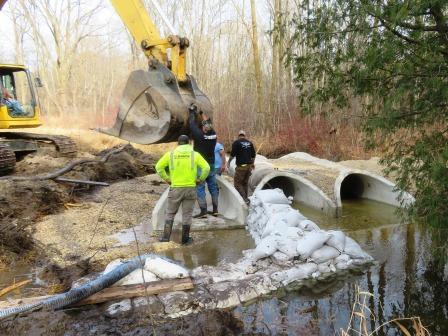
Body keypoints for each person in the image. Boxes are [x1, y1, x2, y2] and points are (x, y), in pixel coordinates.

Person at [155, 134, 210, 244]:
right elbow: (206, 168)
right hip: (190, 188)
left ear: (178, 144)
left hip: (175, 188)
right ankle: (185, 240)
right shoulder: (195, 155)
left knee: (170, 213)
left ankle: (166, 238)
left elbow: (158, 167)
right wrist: (200, 179)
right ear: (189, 143)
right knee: (187, 215)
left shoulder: (170, 155)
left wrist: (167, 179)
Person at [188, 104, 219, 217]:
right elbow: (208, 124)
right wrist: (201, 114)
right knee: (212, 186)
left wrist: (192, 112)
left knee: (200, 186)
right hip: (211, 165)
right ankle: (215, 210)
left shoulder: (199, 135)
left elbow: (191, 125)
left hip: (202, 166)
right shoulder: (214, 135)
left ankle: (203, 211)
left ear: (203, 128)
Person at [227, 130, 256, 204]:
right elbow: (253, 155)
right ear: (244, 135)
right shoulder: (250, 143)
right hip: (249, 167)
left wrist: (228, 162)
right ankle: (245, 199)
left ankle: (244, 199)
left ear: (238, 135)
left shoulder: (236, 143)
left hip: (241, 167)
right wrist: (252, 164)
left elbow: (232, 155)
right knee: (244, 183)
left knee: (237, 184)